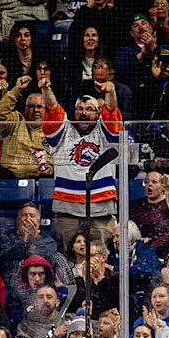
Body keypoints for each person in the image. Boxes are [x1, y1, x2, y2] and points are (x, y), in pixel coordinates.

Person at [44, 85, 123, 247]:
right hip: (67, 207)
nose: (84, 113)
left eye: (89, 109)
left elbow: (111, 111)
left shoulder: (105, 132)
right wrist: (46, 89)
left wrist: (111, 92)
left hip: (100, 205)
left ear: (98, 113)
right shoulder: (63, 131)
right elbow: (52, 109)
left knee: (100, 253)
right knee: (68, 253)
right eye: (79, 109)